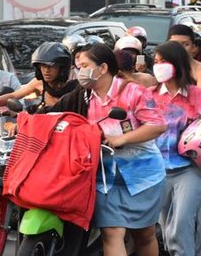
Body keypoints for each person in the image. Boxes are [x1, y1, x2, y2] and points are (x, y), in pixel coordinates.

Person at [63, 43, 167, 256]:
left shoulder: (133, 91)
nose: (80, 71)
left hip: (143, 176)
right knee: (111, 232)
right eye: (78, 66)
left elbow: (158, 125)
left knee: (144, 234)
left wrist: (122, 138)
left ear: (102, 68)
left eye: (84, 66)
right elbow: (55, 114)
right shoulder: (83, 96)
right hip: (105, 176)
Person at [151, 40, 201, 256]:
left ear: (176, 64)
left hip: (188, 170)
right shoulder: (149, 96)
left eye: (163, 61)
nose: (158, 65)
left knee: (180, 225)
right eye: (155, 61)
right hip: (157, 171)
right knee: (167, 230)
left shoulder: (196, 94)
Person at [0, 42, 76, 116]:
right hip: (46, 130)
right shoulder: (39, 83)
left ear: (62, 68)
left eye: (51, 66)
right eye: (42, 66)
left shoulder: (77, 86)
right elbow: (13, 95)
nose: (46, 71)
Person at [168, 24, 201, 95]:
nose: (180, 48)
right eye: (175, 43)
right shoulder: (163, 65)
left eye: (186, 44)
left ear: (192, 46)